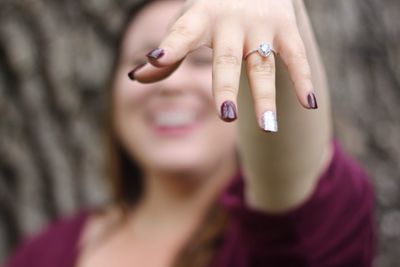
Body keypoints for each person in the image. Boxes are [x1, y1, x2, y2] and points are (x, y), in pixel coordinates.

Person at [4, 0, 376, 266]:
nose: (172, 84)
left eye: (203, 60)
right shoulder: (45, 252)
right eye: (150, 59)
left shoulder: (285, 240)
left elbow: (298, 189)